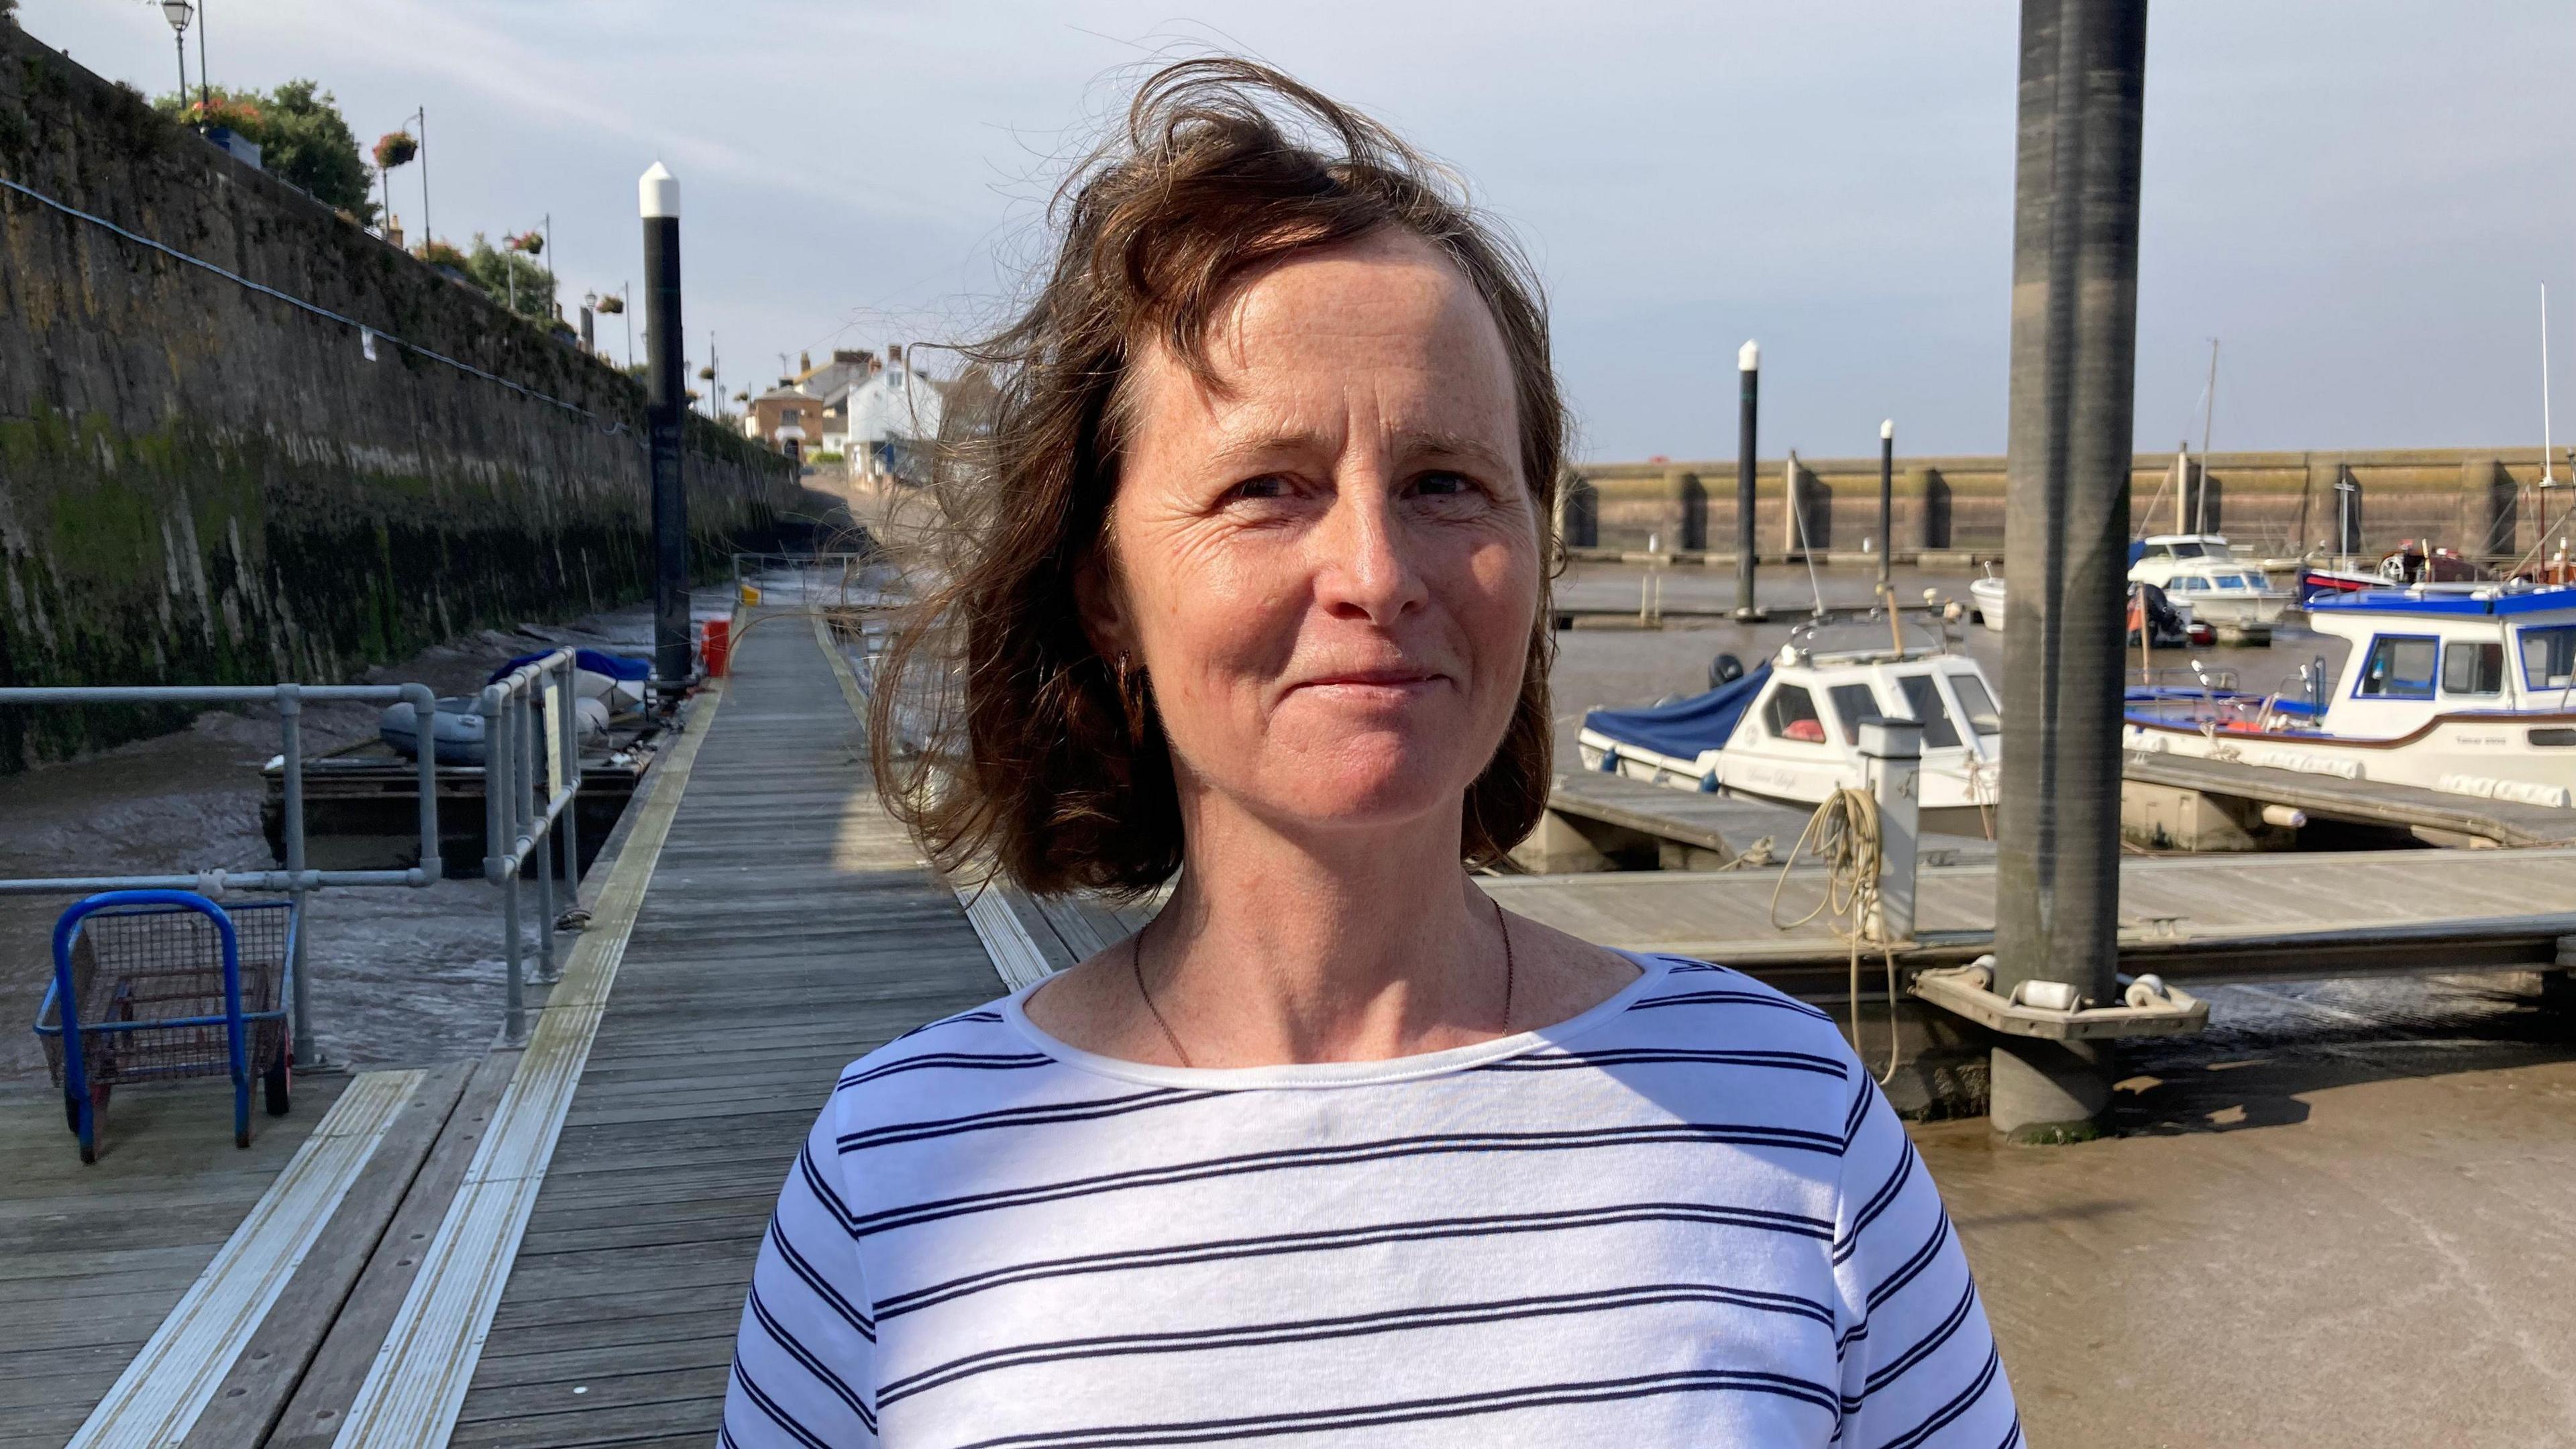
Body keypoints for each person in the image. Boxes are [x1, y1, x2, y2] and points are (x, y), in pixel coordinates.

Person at [722, 58, 2016, 1448]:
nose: (1375, 570)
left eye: (1444, 482)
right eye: (1265, 488)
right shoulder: (894, 1176)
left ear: (1532, 548)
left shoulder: (1795, 1118)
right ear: (1107, 590)